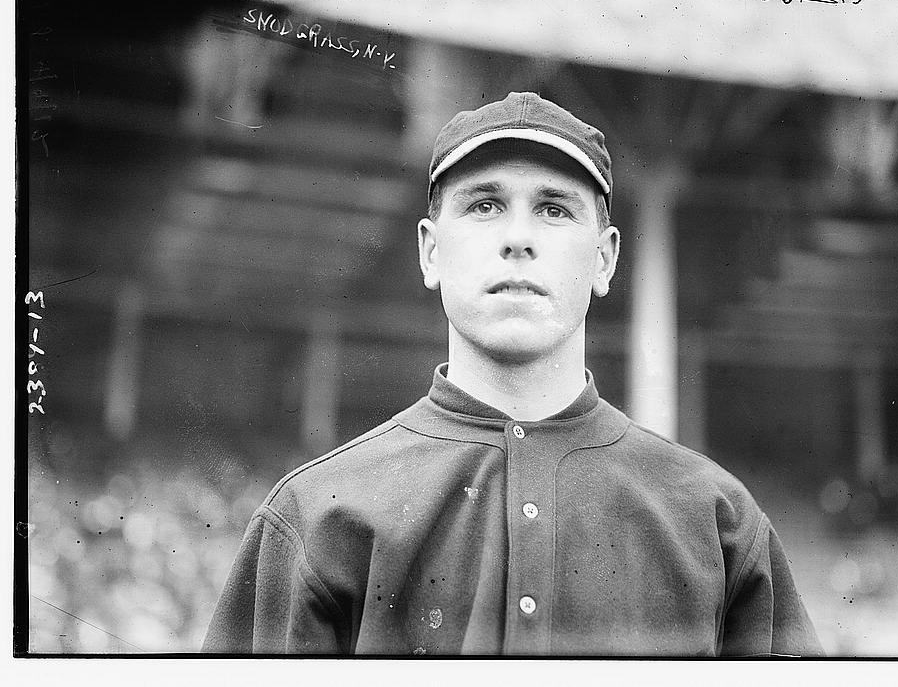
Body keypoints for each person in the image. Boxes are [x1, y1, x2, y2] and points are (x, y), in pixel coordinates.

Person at [202, 91, 823, 657]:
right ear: (430, 251)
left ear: (605, 258)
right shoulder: (319, 514)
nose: (518, 238)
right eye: (485, 205)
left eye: (554, 209)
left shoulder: (716, 519)